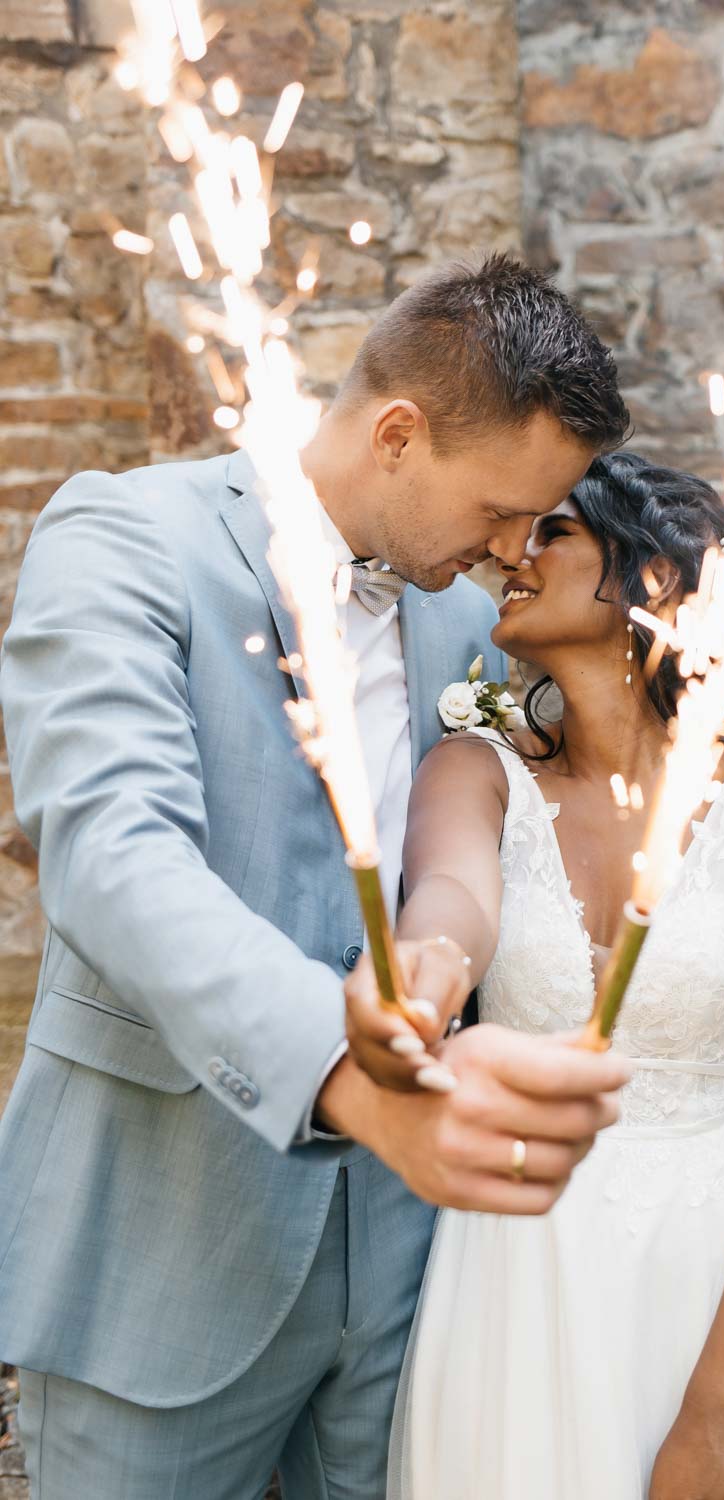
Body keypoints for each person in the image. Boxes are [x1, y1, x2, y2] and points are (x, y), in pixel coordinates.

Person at [0, 254, 632, 1500]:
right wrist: (345, 1078)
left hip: (416, 1272)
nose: (517, 550)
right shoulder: (127, 537)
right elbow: (114, 859)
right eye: (503, 509)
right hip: (169, 1240)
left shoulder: (468, 627)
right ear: (397, 435)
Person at [348, 451, 724, 1500]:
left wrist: (719, 1417)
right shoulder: (474, 771)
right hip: (517, 1280)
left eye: (553, 533)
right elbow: (454, 898)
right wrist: (420, 974)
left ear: (650, 578)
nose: (511, 555)